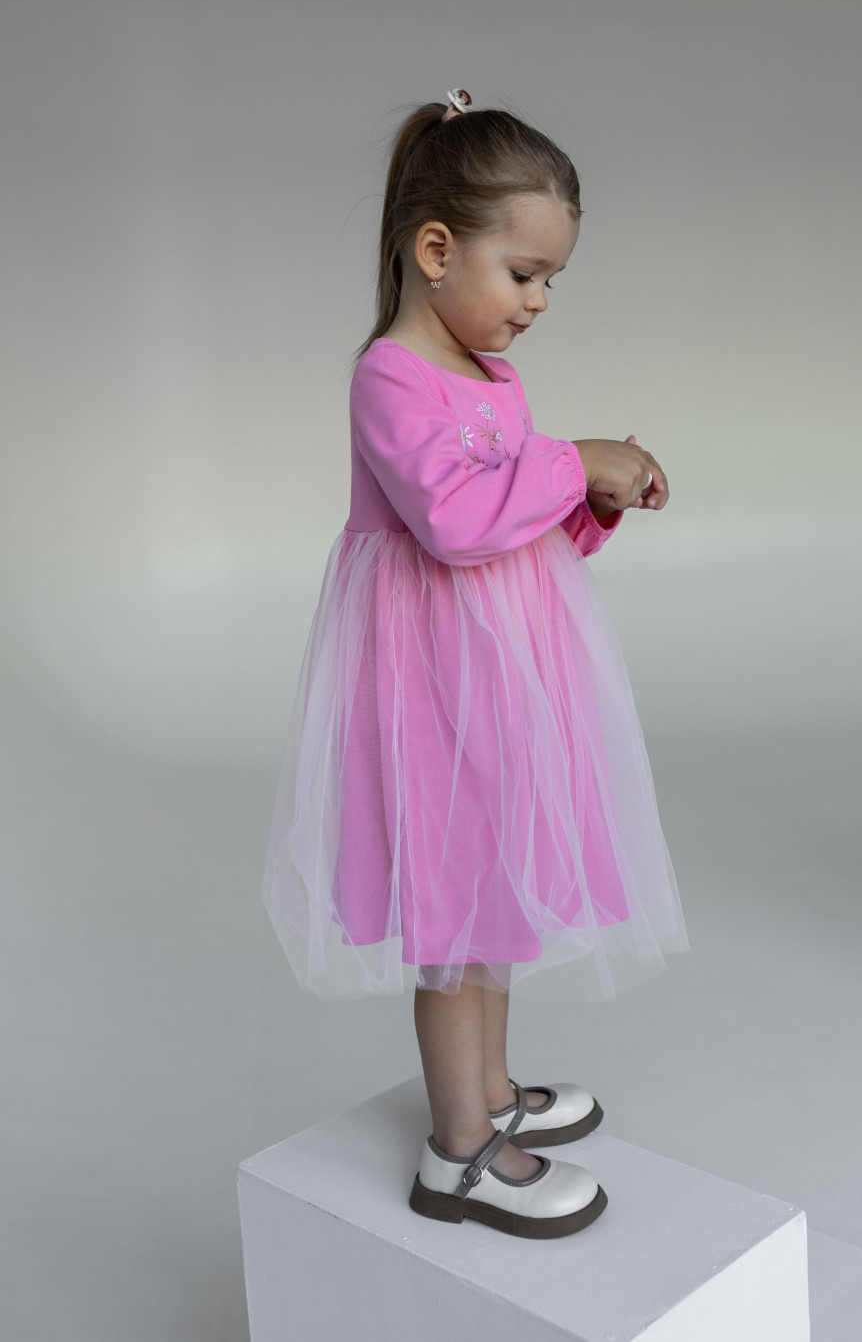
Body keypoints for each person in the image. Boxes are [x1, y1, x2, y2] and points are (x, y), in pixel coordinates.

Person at [262, 88, 690, 1238]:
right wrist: (573, 457)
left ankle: (491, 1093)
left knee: (492, 890)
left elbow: (519, 526)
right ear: (437, 250)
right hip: (430, 686)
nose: (538, 301)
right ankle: (458, 1150)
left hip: (500, 680)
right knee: (453, 910)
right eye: (524, 273)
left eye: (552, 280)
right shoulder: (391, 378)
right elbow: (454, 523)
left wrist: (593, 500)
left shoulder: (492, 376)